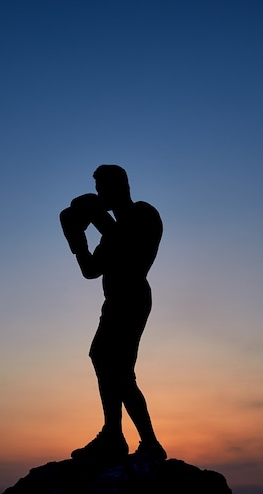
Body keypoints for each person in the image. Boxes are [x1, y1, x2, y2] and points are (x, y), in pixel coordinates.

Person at [60, 164, 167, 463]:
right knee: (107, 363)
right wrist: (75, 238)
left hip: (133, 297)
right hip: (115, 300)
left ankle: (131, 439)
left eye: (103, 187)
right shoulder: (111, 232)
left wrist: (96, 214)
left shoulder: (144, 214)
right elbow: (90, 270)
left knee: (118, 369)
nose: (100, 193)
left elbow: (129, 246)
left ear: (120, 186)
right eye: (98, 189)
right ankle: (122, 437)